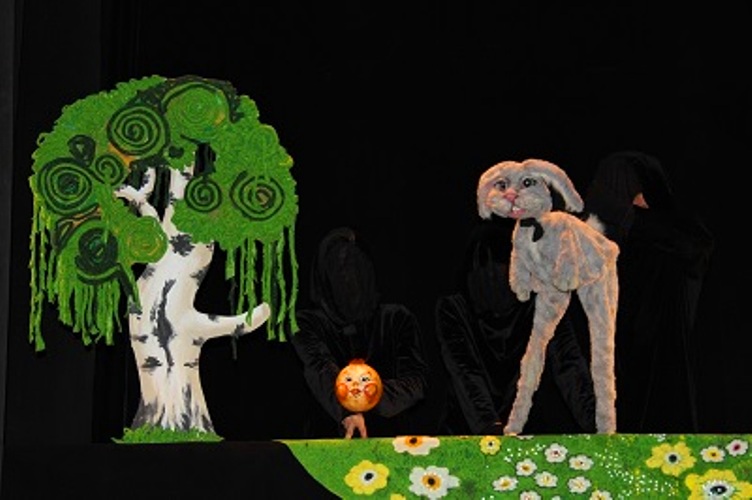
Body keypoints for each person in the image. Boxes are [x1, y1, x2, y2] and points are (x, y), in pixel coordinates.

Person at [584, 150, 714, 433]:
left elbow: (692, 246)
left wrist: (628, 216)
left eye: (629, 188)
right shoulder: (594, 247)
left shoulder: (674, 239)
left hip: (664, 392)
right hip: (607, 393)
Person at [435, 215, 597, 435]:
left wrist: (599, 424)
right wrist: (491, 433)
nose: (496, 276)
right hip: (469, 434)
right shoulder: (454, 309)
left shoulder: (545, 303)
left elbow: (570, 367)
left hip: (519, 431)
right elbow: (466, 375)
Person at [291, 227, 429, 438]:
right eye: (340, 269)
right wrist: (347, 410)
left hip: (391, 441)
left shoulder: (397, 319)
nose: (349, 278)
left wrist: (365, 397)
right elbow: (319, 367)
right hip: (328, 442)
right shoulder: (307, 323)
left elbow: (415, 382)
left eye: (356, 267)